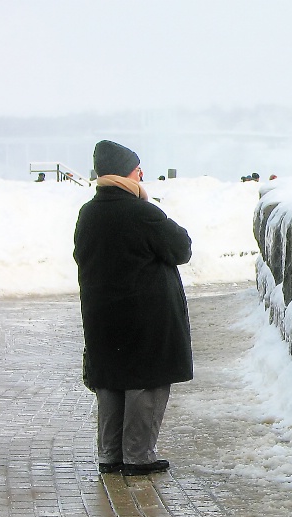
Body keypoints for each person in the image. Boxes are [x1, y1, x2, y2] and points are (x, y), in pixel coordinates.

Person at [73, 140, 193, 477]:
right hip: (146, 316)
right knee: (146, 380)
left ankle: (110, 455)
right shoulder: (141, 211)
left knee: (111, 381)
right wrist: (147, 203)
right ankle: (138, 456)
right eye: (137, 167)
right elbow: (181, 247)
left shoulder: (89, 212)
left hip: (102, 314)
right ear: (126, 171)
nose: (142, 173)